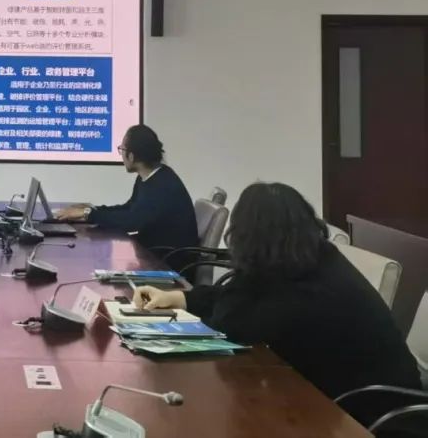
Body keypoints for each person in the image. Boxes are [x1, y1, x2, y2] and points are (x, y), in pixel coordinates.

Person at [133, 183, 423, 430]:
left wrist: (246, 266)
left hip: (372, 417)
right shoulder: (309, 259)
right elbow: (240, 297)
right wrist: (181, 298)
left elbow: (230, 323)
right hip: (334, 398)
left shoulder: (313, 290)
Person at [54, 125, 199, 270]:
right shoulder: (150, 177)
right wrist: (93, 210)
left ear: (131, 156)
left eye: (122, 149)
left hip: (168, 265)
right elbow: (129, 208)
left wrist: (89, 214)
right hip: (154, 255)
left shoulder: (163, 185)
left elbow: (132, 221)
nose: (121, 155)